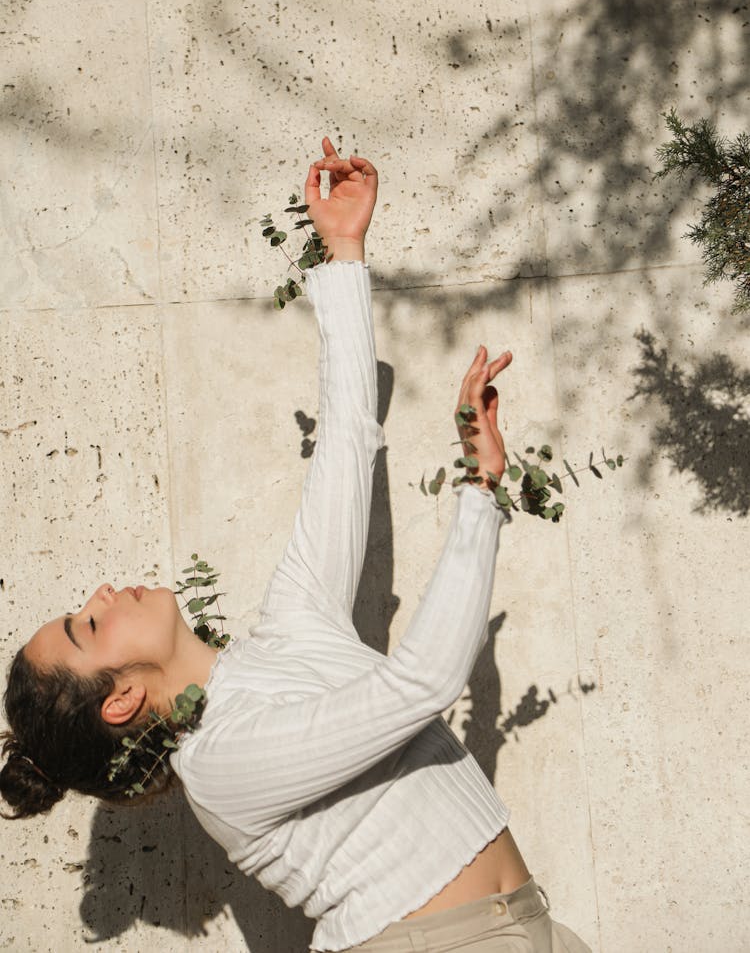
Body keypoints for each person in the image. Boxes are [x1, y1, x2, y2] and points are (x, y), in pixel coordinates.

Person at [1, 139, 592, 953]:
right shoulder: (221, 765)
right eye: (86, 625)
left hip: (524, 925)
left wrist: (344, 252)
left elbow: (347, 442)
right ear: (121, 699)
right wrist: (479, 491)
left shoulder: (286, 626)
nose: (102, 593)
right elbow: (422, 682)